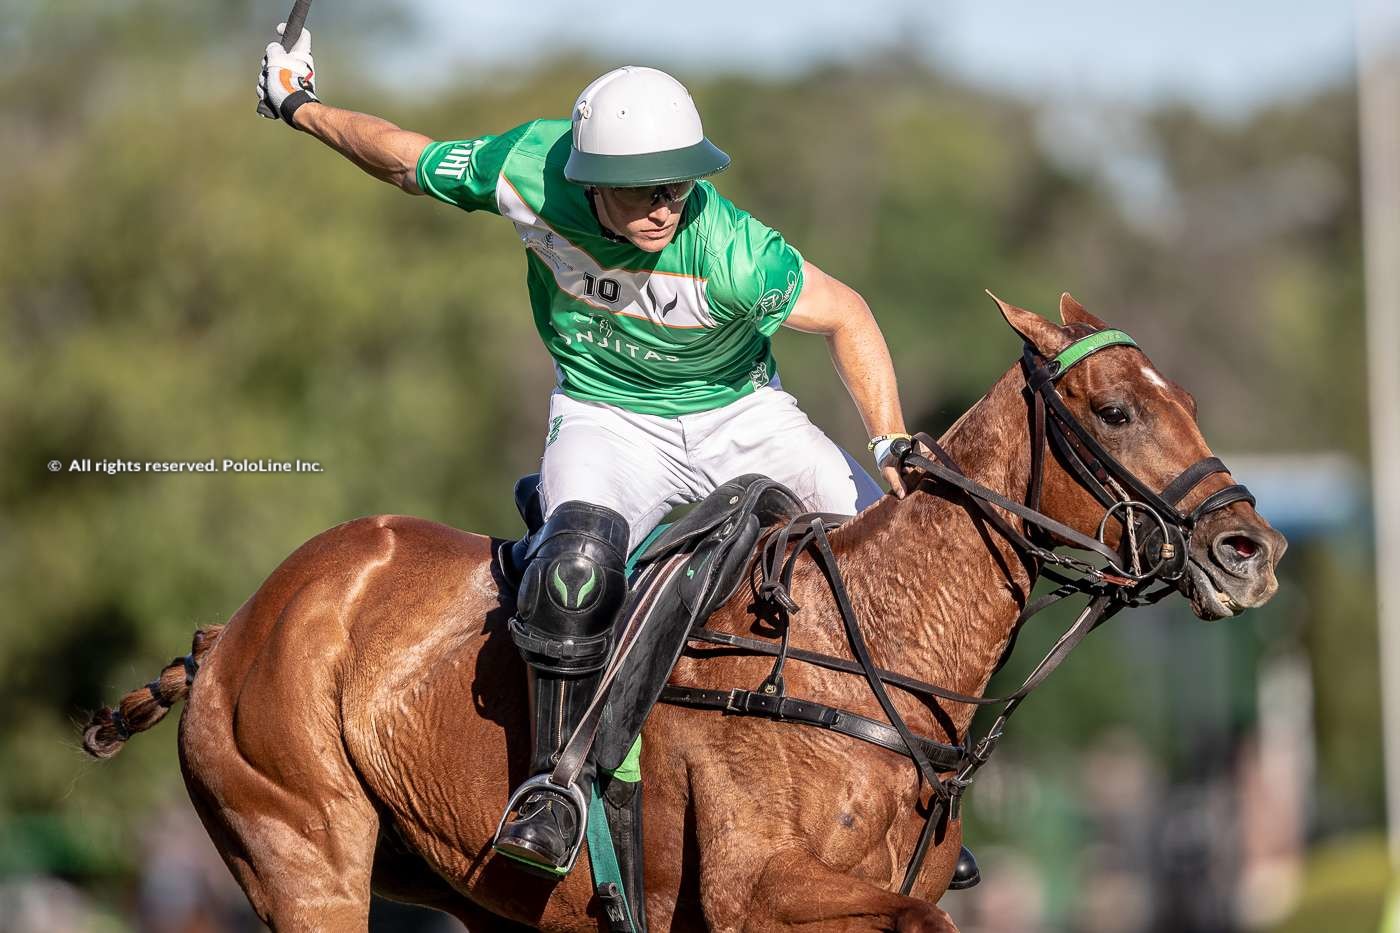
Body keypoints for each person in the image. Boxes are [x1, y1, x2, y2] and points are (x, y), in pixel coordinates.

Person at [256, 29, 979, 890]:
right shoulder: (528, 168)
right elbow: (407, 158)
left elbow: (847, 314)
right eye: (643, 190)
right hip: (607, 418)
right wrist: (301, 106)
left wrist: (890, 435)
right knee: (576, 567)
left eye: (680, 183)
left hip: (740, 415)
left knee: (889, 558)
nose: (667, 206)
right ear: (590, 180)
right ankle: (554, 788)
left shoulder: (737, 251)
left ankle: (915, 795)